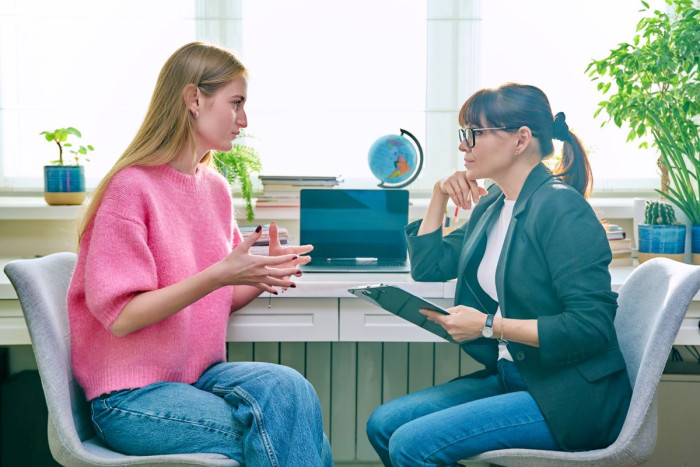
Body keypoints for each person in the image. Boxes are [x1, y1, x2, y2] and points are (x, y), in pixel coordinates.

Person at [67, 42, 333, 466]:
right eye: (236, 104)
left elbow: (219, 292)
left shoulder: (215, 188)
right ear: (195, 99)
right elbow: (121, 317)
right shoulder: (130, 188)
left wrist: (261, 275)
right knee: (300, 437)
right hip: (131, 398)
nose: (244, 121)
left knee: (290, 389)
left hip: (197, 379)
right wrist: (221, 274)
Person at [366, 83, 632, 466]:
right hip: (515, 376)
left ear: (521, 139)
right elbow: (430, 267)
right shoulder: (494, 202)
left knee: (411, 444)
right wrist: (439, 194)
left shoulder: (561, 208)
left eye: (474, 134)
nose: (463, 146)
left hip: (568, 396)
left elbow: (591, 327)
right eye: (464, 134)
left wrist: (490, 325)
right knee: (383, 425)